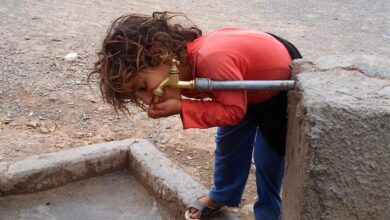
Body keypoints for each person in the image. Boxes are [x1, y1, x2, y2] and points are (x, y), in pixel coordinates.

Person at [89, 11, 301, 220]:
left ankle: (268, 212)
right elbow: (229, 106)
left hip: (276, 88)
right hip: (244, 88)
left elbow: (234, 111)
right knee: (228, 143)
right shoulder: (182, 68)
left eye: (143, 86)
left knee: (268, 156)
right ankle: (222, 194)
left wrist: (183, 107)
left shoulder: (209, 59)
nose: (146, 100)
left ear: (160, 53)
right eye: (137, 95)